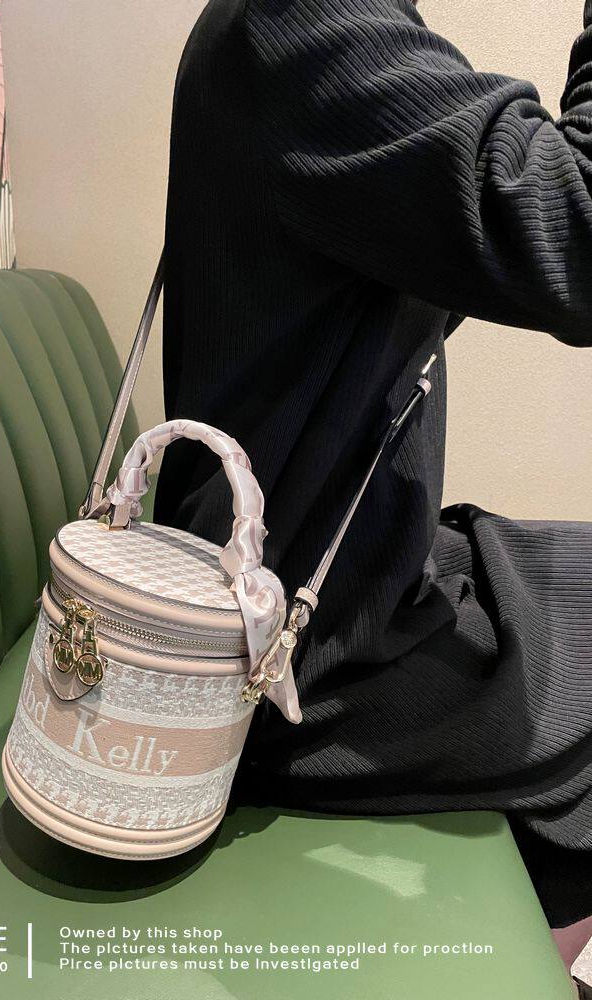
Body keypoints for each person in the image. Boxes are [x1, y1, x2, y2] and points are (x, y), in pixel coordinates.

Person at [153, 0, 592, 941]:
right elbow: (577, 225)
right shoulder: (304, 24)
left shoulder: (315, 29)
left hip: (345, 586)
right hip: (284, 662)